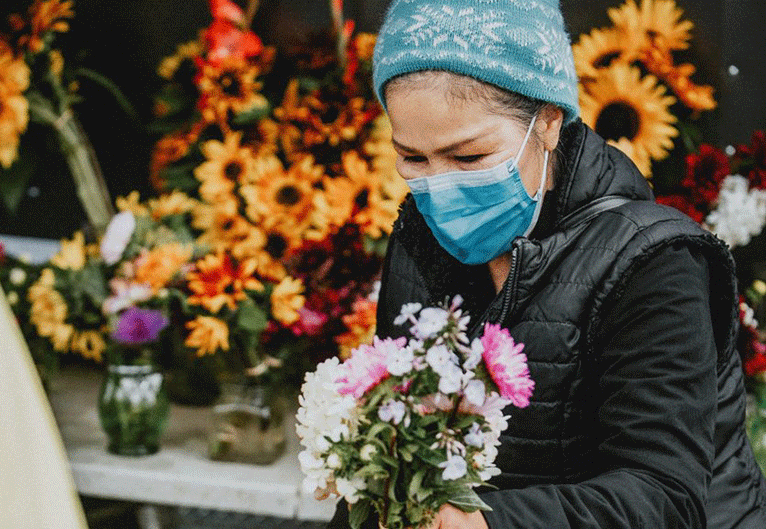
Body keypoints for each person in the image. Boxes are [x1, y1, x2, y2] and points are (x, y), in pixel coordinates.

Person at [327, 0, 766, 528]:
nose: (439, 188)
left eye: (468, 158)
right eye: (413, 159)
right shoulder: (420, 242)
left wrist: (485, 523)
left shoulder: (655, 263)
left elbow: (663, 496)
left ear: (550, 122)